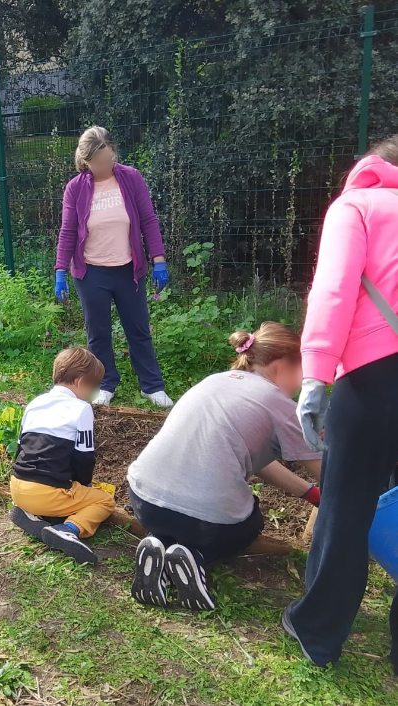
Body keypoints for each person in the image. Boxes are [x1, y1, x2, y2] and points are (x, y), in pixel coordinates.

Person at [285, 137, 398, 673]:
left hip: (376, 376)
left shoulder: (357, 206)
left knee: (346, 506)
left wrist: (315, 376)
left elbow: (334, 289)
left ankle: (319, 632)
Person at [126, 322, 322, 610]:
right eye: (303, 374)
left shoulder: (216, 380)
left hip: (144, 501)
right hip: (206, 523)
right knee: (250, 523)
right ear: (283, 363)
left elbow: (255, 460)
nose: (302, 385)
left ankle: (159, 544)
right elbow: (326, 471)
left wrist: (308, 493)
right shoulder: (279, 403)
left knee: (179, 517)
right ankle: (196, 557)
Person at [54, 125, 173, 408]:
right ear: (86, 162)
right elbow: (68, 231)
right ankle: (105, 384)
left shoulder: (131, 178)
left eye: (109, 159)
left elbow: (148, 220)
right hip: (91, 272)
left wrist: (159, 261)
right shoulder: (76, 188)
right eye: (99, 162)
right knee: (98, 333)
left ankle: (152, 386)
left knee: (139, 329)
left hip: (128, 270)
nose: (105, 165)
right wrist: (60, 271)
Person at [9, 346, 115, 564]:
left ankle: (33, 515)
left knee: (54, 493)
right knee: (104, 501)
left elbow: (21, 447)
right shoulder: (81, 409)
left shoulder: (35, 403)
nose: (92, 394)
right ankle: (68, 529)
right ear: (80, 382)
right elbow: (84, 458)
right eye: (93, 387)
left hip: (17, 486)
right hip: (46, 493)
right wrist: (83, 486)